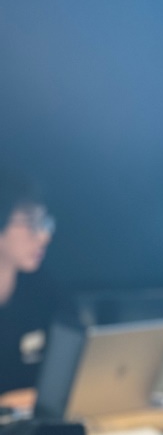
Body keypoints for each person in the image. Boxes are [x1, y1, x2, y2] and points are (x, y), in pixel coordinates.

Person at [0, 169, 72, 410]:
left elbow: (72, 369)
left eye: (45, 223)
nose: (43, 236)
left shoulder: (44, 290)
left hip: (36, 424)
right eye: (31, 223)